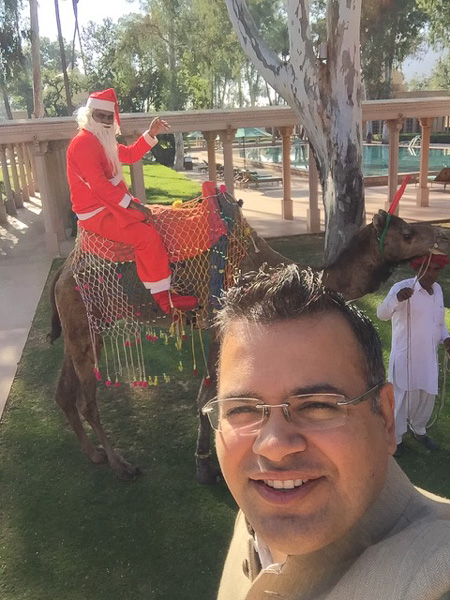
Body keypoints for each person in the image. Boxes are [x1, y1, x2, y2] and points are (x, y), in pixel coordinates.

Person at [202, 264, 450, 600]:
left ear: (387, 418)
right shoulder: (257, 517)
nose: (273, 447)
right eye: (242, 409)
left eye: (318, 405)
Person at [66, 87, 197, 314]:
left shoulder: (102, 140)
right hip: (97, 214)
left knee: (159, 218)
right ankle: (166, 302)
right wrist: (132, 205)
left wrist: (151, 133)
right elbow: (99, 186)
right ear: (89, 116)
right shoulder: (83, 143)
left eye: (109, 117)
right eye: (101, 116)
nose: (106, 121)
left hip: (110, 206)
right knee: (146, 238)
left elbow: (129, 154)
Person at [377, 254, 450, 457]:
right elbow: (381, 314)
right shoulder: (403, 288)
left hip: (428, 357)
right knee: (401, 397)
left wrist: (446, 339)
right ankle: (396, 438)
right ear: (417, 269)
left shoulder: (437, 291)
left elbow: (439, 322)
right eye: (427, 269)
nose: (432, 274)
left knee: (426, 395)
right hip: (405, 356)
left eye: (436, 269)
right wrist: (396, 299)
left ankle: (419, 429)